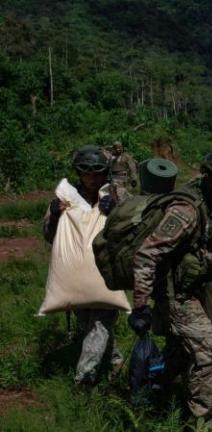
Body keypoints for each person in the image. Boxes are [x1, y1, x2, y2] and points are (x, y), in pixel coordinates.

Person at [127, 147, 212, 423]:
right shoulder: (185, 211)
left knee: (182, 355)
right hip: (177, 296)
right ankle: (200, 425)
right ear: (211, 179)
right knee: (210, 360)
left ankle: (153, 389)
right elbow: (147, 255)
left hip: (197, 289)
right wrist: (140, 306)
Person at [43, 145, 122, 386]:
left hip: (105, 275)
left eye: (97, 174)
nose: (92, 179)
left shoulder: (116, 195)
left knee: (99, 323)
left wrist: (115, 213)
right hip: (75, 275)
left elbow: (132, 232)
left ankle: (83, 381)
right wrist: (56, 215)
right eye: (87, 174)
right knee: (89, 324)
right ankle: (116, 360)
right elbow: (49, 235)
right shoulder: (65, 199)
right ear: (79, 174)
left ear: (104, 173)